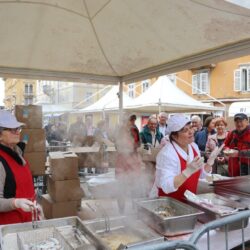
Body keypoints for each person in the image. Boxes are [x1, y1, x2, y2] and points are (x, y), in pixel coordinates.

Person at [154, 114, 223, 201]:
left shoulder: (193, 147)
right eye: (185, 130)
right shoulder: (167, 154)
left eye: (190, 128)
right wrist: (187, 172)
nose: (191, 132)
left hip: (189, 201)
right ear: (174, 136)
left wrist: (210, 162)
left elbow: (200, 174)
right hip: (170, 204)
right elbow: (166, 186)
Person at [0, 110, 36, 225]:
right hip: (10, 228)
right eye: (11, 129)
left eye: (18, 128)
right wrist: (16, 203)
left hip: (27, 221)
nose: (17, 132)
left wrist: (35, 207)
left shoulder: (18, 152)